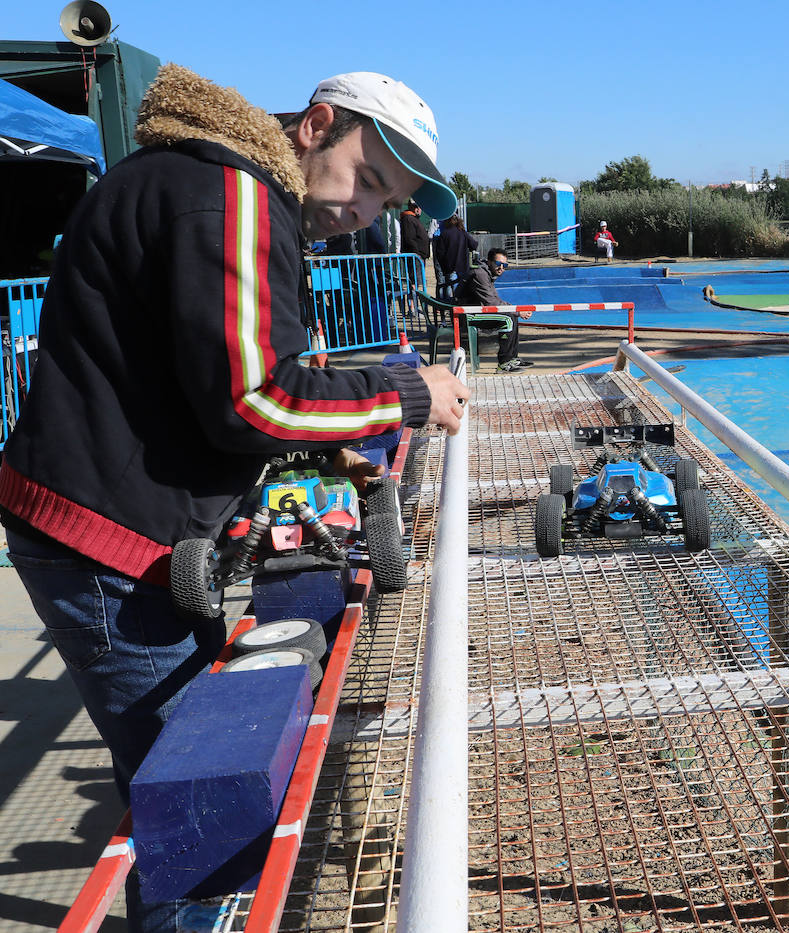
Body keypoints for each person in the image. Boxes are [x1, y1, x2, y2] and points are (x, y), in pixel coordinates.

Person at [0, 65, 468, 932]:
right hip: (107, 539)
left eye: (386, 201)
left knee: (174, 775)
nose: (364, 210)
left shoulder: (191, 176)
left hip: (104, 523)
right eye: (366, 177)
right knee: (204, 805)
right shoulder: (233, 196)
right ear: (313, 125)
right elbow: (258, 399)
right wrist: (406, 390)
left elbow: (221, 381)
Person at [458, 248, 532, 371]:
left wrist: (515, 309)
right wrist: (518, 311)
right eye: (498, 264)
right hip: (467, 314)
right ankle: (504, 363)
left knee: (512, 316)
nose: (501, 268)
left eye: (505, 265)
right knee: (508, 319)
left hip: (475, 310)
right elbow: (491, 302)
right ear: (489, 262)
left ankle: (512, 358)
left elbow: (494, 300)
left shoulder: (486, 273)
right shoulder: (480, 274)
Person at [434, 213, 479, 300]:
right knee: (460, 291)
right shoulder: (463, 233)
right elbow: (474, 245)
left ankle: (448, 307)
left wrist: (444, 266)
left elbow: (439, 253)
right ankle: (458, 308)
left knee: (449, 287)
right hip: (463, 267)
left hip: (450, 267)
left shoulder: (444, 234)